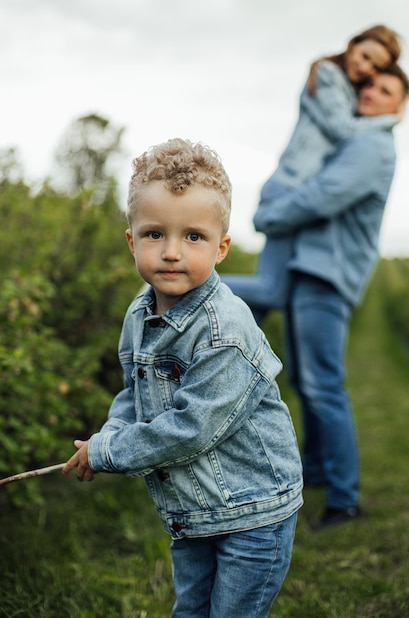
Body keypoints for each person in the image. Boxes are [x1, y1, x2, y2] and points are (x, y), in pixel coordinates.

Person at [62, 138, 303, 617]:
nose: (171, 252)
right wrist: (107, 436)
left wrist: (110, 453)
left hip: (254, 511)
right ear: (132, 240)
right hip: (193, 509)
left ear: (221, 248)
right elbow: (136, 392)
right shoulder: (140, 312)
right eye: (155, 234)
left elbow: (191, 428)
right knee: (190, 608)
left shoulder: (225, 330)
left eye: (193, 236)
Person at [253, 64, 409, 530]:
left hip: (329, 273)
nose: (371, 93)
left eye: (386, 91)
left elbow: (323, 196)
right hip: (311, 267)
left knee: (324, 387)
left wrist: (269, 217)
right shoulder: (356, 137)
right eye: (369, 85)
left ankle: (344, 500)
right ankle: (318, 473)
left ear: (399, 108)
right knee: (305, 381)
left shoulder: (372, 145)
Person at [221, 24, 402, 321]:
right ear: (353, 44)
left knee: (269, 298)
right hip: (290, 187)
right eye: (364, 55)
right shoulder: (328, 74)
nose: (364, 66)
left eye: (375, 66)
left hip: (296, 188)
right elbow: (342, 129)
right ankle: (186, 286)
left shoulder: (350, 88)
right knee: (271, 290)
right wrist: (389, 119)